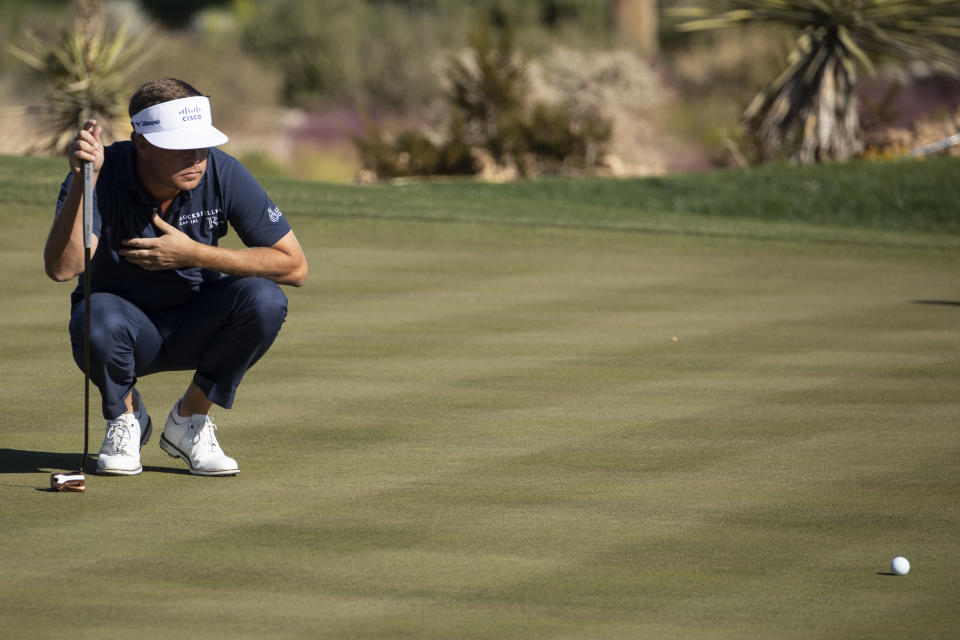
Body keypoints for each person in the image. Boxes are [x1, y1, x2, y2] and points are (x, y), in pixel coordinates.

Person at [45, 78, 308, 477]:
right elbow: (63, 268)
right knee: (94, 317)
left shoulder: (222, 173)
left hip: (197, 325)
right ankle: (125, 419)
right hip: (122, 330)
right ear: (143, 144)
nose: (196, 158)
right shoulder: (101, 174)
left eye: (202, 144)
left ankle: (189, 422)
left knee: (266, 300)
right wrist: (87, 182)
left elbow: (294, 266)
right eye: (180, 147)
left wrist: (194, 254)